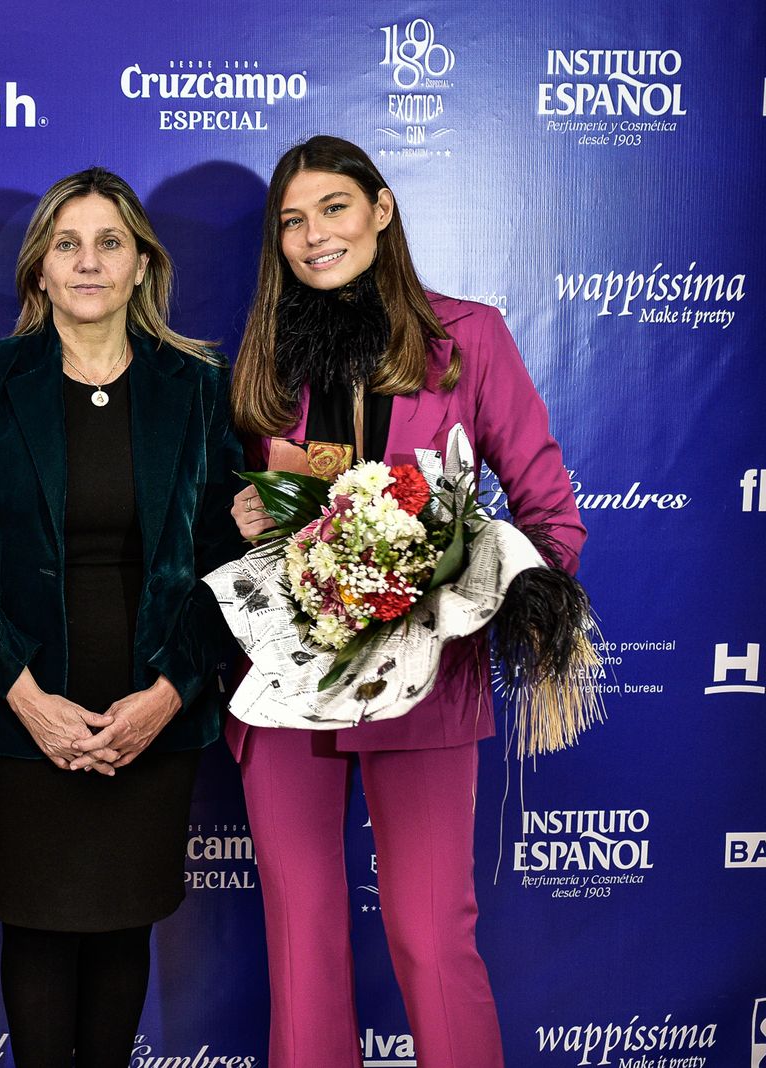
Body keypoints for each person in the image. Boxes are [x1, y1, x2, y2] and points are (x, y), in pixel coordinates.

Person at [225, 135, 586, 1068]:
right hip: (289, 685)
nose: (314, 236)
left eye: (333, 210)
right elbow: (250, 523)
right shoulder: (264, 355)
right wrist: (251, 517)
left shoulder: (470, 335)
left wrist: (505, 593)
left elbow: (549, 513)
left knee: (432, 937)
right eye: (293, 222)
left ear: (382, 211)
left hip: (430, 685)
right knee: (302, 947)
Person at [0, 167, 241, 1068]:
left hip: (151, 710)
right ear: (39, 271)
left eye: (110, 243)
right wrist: (29, 699)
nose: (89, 261)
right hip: (21, 708)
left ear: (142, 264)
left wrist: (168, 695)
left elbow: (225, 568)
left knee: (120, 932)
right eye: (68, 244)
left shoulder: (196, 384)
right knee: (37, 931)